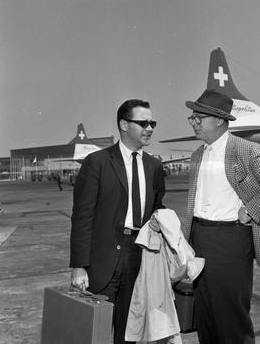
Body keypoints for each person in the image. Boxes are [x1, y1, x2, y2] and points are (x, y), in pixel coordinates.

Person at [181, 89, 260, 344]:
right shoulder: (199, 153)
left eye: (198, 116)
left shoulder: (244, 149)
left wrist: (251, 211)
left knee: (230, 316)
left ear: (220, 120)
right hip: (199, 237)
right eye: (192, 116)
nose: (193, 121)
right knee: (205, 314)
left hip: (229, 241)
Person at [69, 99, 166, 344]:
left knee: (130, 332)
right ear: (124, 124)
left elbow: (157, 209)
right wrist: (79, 266)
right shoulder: (98, 162)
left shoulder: (154, 166)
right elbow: (82, 217)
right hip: (103, 260)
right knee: (97, 333)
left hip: (139, 257)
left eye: (152, 123)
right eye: (143, 123)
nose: (150, 128)